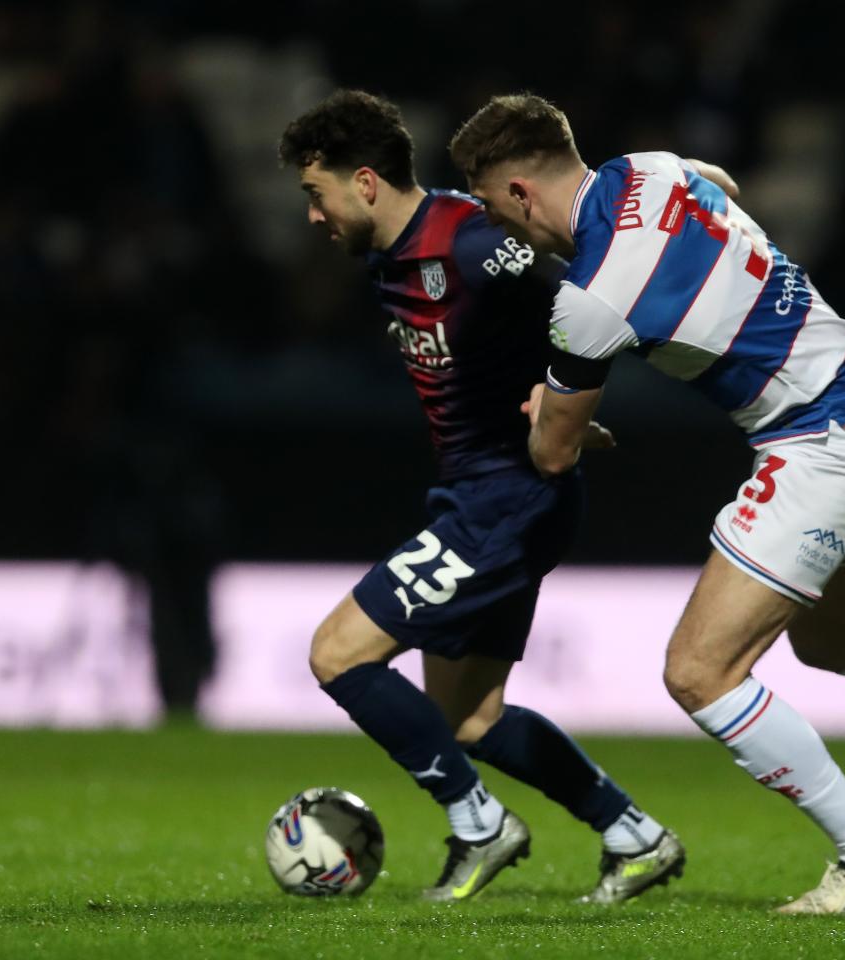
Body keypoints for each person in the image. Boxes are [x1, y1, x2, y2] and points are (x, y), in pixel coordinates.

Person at [447, 93, 845, 915]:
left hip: (822, 436)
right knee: (836, 641)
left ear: (519, 193)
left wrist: (547, 412)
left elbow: (555, 452)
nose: (509, 232)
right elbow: (723, 188)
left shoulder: (590, 298)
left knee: (699, 671)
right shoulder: (652, 169)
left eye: (500, 211)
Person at [277, 90, 685, 904]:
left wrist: (564, 406)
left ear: (365, 183)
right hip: (484, 495)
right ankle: (635, 836)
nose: (313, 216)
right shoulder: (388, 256)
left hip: (509, 497)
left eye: (315, 194)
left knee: (337, 654)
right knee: (468, 719)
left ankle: (478, 823)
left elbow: (590, 301)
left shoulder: (471, 241)